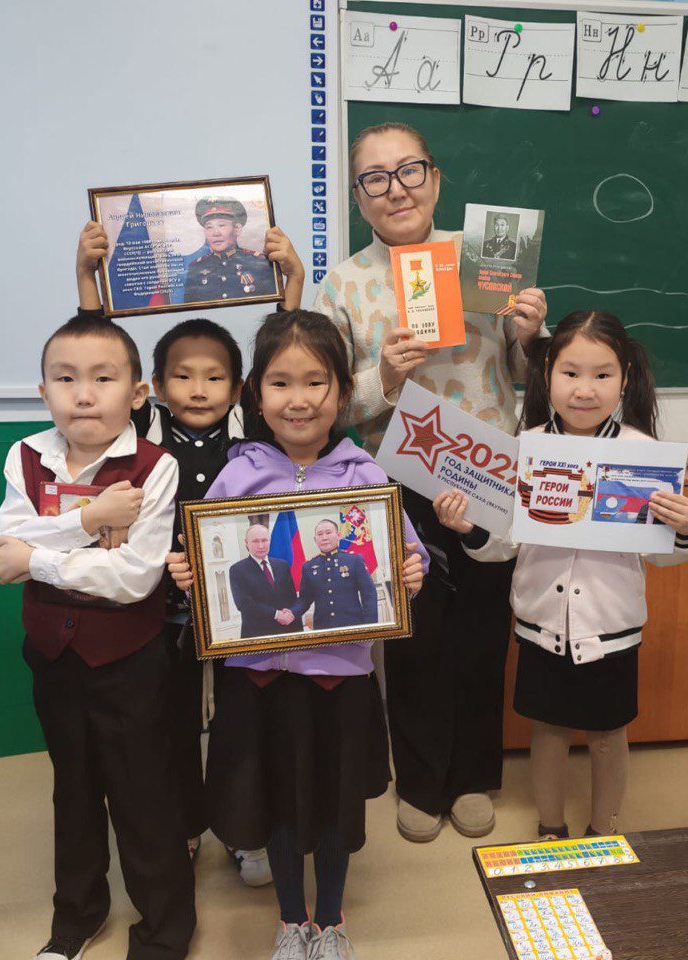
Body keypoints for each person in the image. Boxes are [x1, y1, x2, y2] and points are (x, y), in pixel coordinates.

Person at [313, 121, 550, 843]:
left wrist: (527, 337)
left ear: (436, 178)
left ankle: (472, 776)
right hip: (399, 476)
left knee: (481, 634)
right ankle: (419, 780)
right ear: (358, 196)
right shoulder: (343, 284)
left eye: (410, 170)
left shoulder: (484, 260)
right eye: (375, 178)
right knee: (414, 640)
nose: (396, 189)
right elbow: (325, 405)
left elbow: (523, 378)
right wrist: (383, 377)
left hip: (486, 471)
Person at [167, 310, 427, 960]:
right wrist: (191, 577)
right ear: (256, 395)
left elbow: (402, 556)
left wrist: (411, 571)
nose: (299, 399)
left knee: (335, 805)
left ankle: (331, 921)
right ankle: (291, 921)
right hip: (262, 681)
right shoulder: (238, 475)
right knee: (279, 803)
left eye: (316, 381)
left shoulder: (364, 475)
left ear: (343, 391)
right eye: (280, 383)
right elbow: (213, 570)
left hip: (340, 680)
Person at [76, 220, 303, 885]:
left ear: (239, 387)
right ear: (153, 384)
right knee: (169, 722)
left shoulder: (250, 425)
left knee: (242, 722)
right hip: (162, 609)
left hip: (241, 608)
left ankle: (244, 829)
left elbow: (282, 350)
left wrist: (290, 282)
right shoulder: (142, 426)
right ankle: (183, 824)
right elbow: (97, 357)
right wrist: (88, 279)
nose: (198, 389)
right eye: (181, 376)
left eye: (214, 377)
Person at [433, 311, 688, 840]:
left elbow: (662, 556)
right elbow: (504, 544)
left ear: (625, 377)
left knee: (607, 734)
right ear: (547, 374)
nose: (585, 389)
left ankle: (604, 832)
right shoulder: (524, 448)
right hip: (541, 625)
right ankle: (551, 828)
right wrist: (471, 529)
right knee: (549, 730)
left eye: (602, 374)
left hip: (611, 628)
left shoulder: (646, 456)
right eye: (570, 373)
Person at [0, 315, 195, 960]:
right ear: (43, 390)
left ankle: (164, 931)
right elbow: (3, 546)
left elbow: (133, 577)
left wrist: (39, 556)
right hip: (53, 655)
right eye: (65, 379)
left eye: (104, 379)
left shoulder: (156, 466)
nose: (83, 395)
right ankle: (76, 916)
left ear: (137, 392)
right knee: (72, 789)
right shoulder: (25, 455)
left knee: (142, 794)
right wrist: (93, 520)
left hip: (129, 660)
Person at [183, 197, 278, 304]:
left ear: (237, 229)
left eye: (221, 225)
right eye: (209, 227)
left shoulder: (260, 262)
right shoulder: (196, 268)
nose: (215, 233)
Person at [293, 520, 379, 630]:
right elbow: (305, 600)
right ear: (315, 540)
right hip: (323, 629)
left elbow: (369, 595)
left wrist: (370, 627)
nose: (324, 537)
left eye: (328, 532)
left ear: (338, 535)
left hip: (352, 627)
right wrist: (291, 613)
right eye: (320, 534)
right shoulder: (308, 567)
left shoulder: (354, 560)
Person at [229, 524, 303, 639]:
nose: (261, 545)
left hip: (287, 631)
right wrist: (276, 614)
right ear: (246, 543)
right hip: (258, 634)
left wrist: (292, 616)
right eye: (255, 541)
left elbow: (292, 598)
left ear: (270, 541)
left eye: (264, 540)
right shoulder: (237, 570)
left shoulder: (282, 565)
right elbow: (244, 604)